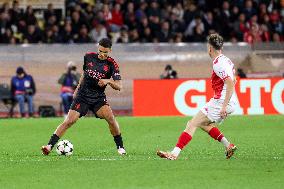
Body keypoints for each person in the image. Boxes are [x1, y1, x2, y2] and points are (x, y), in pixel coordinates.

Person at [157, 34, 237, 160]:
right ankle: (228, 145)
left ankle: (174, 154)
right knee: (204, 124)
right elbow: (234, 80)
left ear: (210, 48)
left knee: (192, 123)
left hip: (221, 102)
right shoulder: (226, 60)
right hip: (226, 100)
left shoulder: (218, 64)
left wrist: (223, 106)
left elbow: (230, 82)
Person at [41, 38, 126, 155]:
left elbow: (119, 86)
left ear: (110, 50)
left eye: (105, 52)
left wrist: (108, 81)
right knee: (69, 121)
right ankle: (49, 146)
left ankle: (121, 148)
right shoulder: (88, 57)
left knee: (111, 119)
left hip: (98, 98)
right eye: (100, 51)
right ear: (98, 48)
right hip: (83, 95)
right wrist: (77, 89)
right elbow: (84, 74)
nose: (102, 54)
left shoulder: (112, 64)